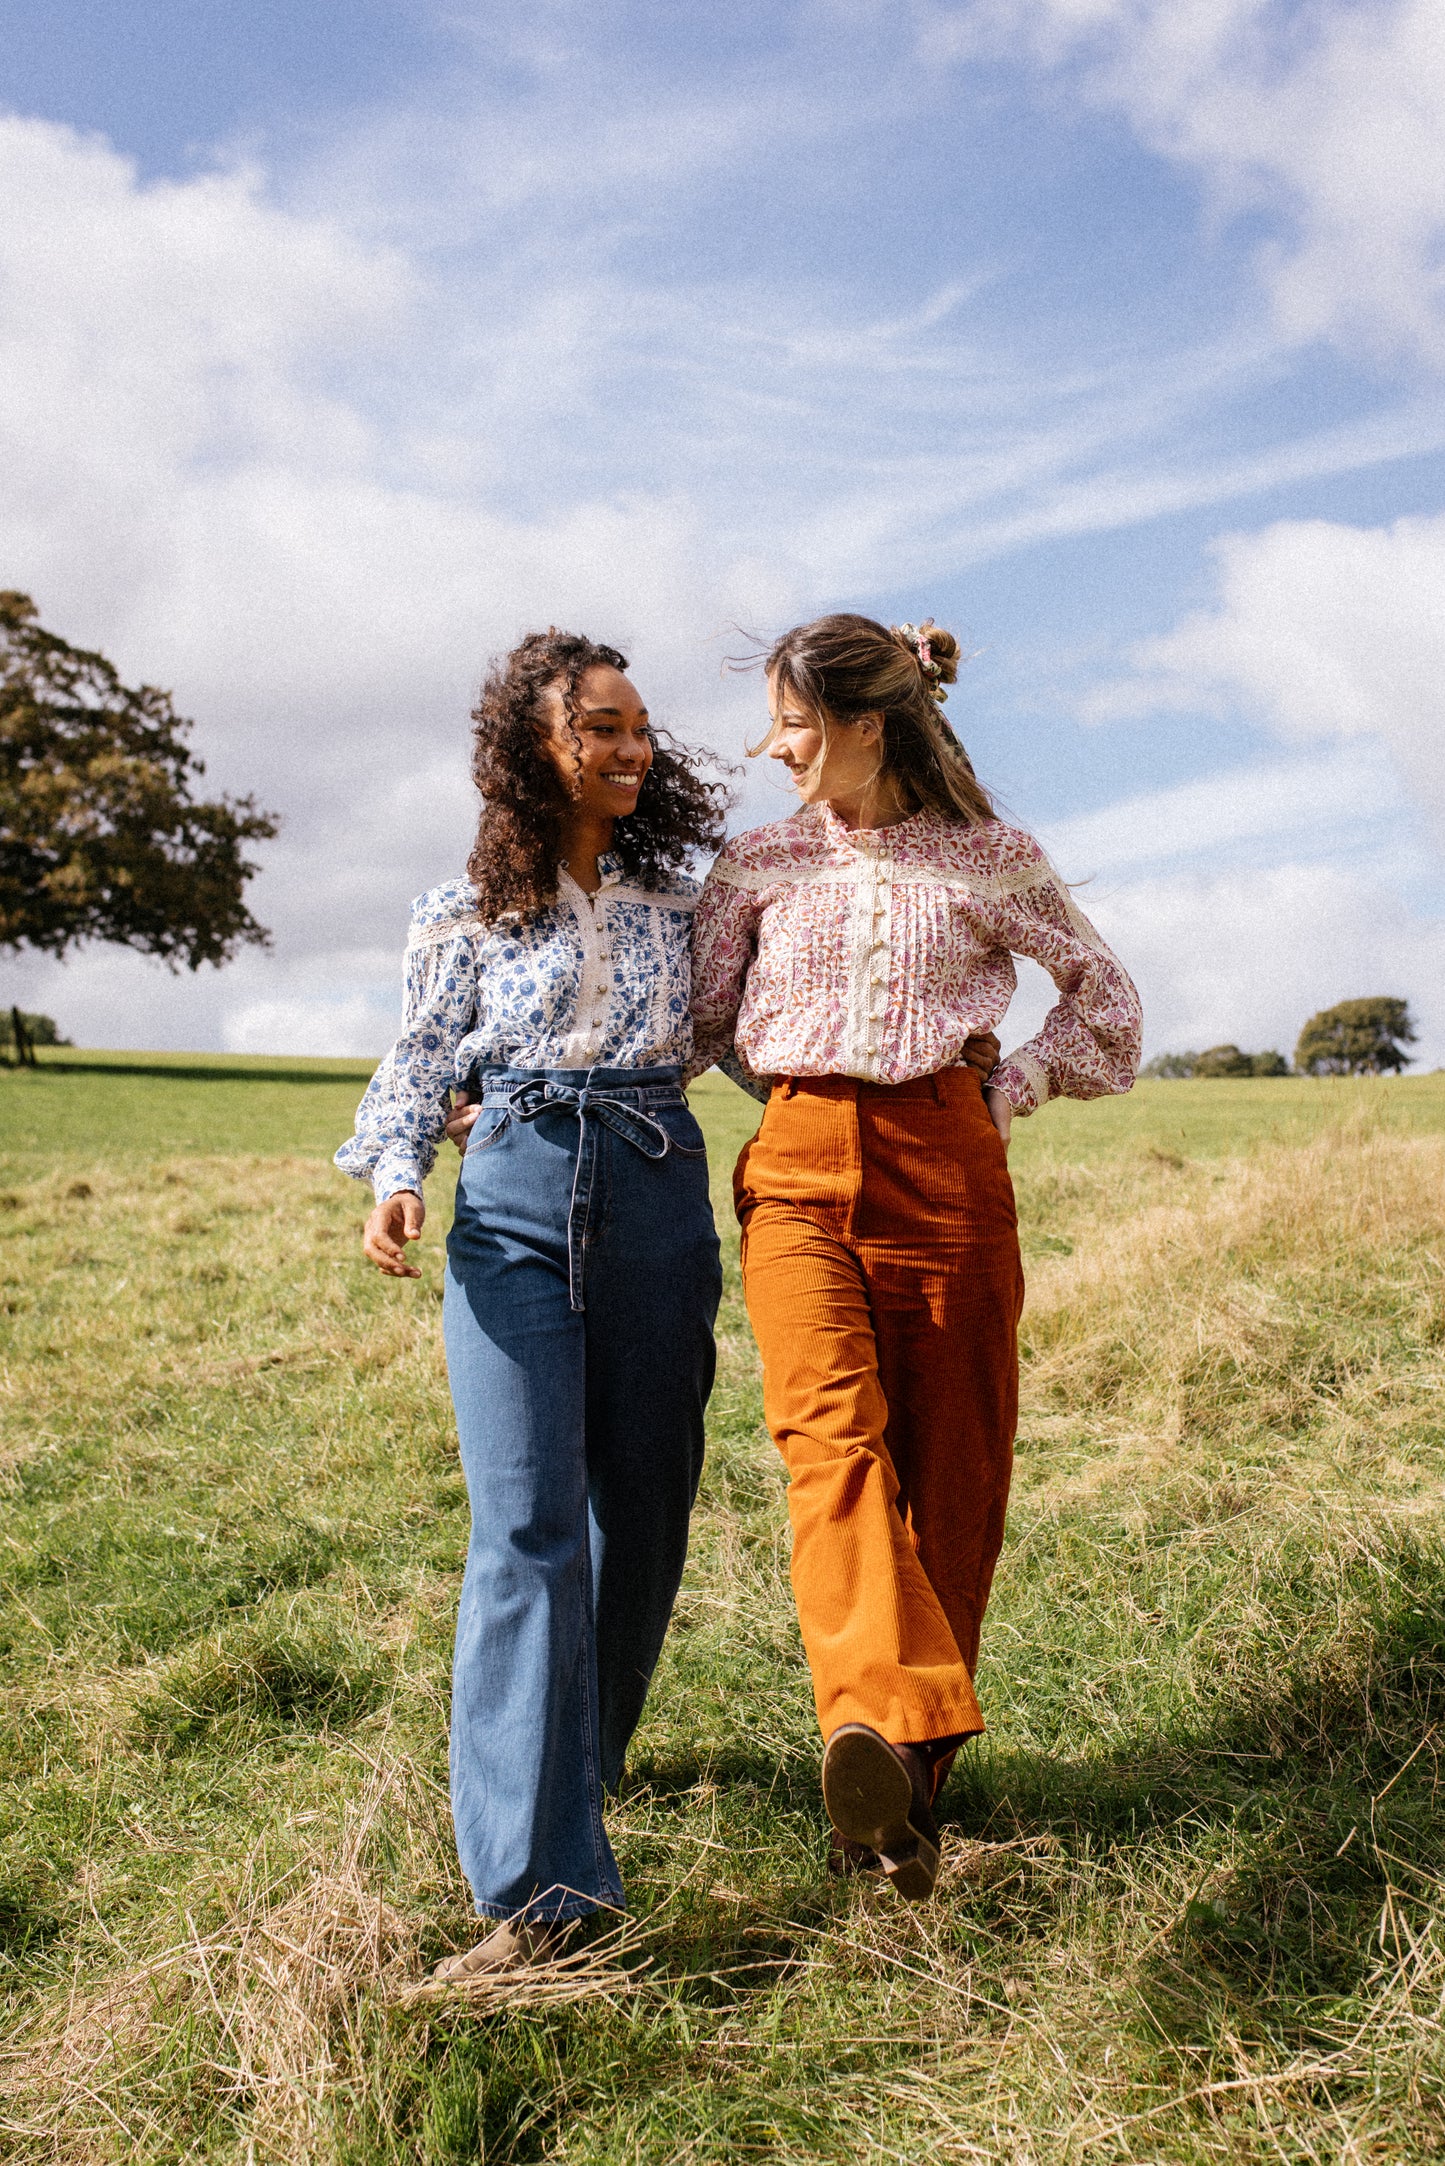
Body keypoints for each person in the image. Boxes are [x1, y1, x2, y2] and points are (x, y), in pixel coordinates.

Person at [690, 613, 1142, 1898]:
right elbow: (699, 1025)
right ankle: (873, 1721)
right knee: (825, 1441)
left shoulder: (994, 859)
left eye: (794, 721)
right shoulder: (755, 865)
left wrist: (1016, 1087)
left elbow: (1104, 1002)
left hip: (950, 1163)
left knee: (952, 1471)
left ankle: (894, 1800)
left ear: (865, 722)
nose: (773, 748)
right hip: (795, 1167)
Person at [337, 630, 727, 1975]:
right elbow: (423, 1050)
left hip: (659, 1186)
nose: (630, 747)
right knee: (526, 1527)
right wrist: (396, 1170)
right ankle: (541, 1891)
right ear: (535, 748)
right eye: (599, 727)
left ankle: (584, 1755)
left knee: (648, 1503)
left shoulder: (686, 901)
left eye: (639, 727)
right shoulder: (461, 906)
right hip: (508, 1191)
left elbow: (755, 1023)